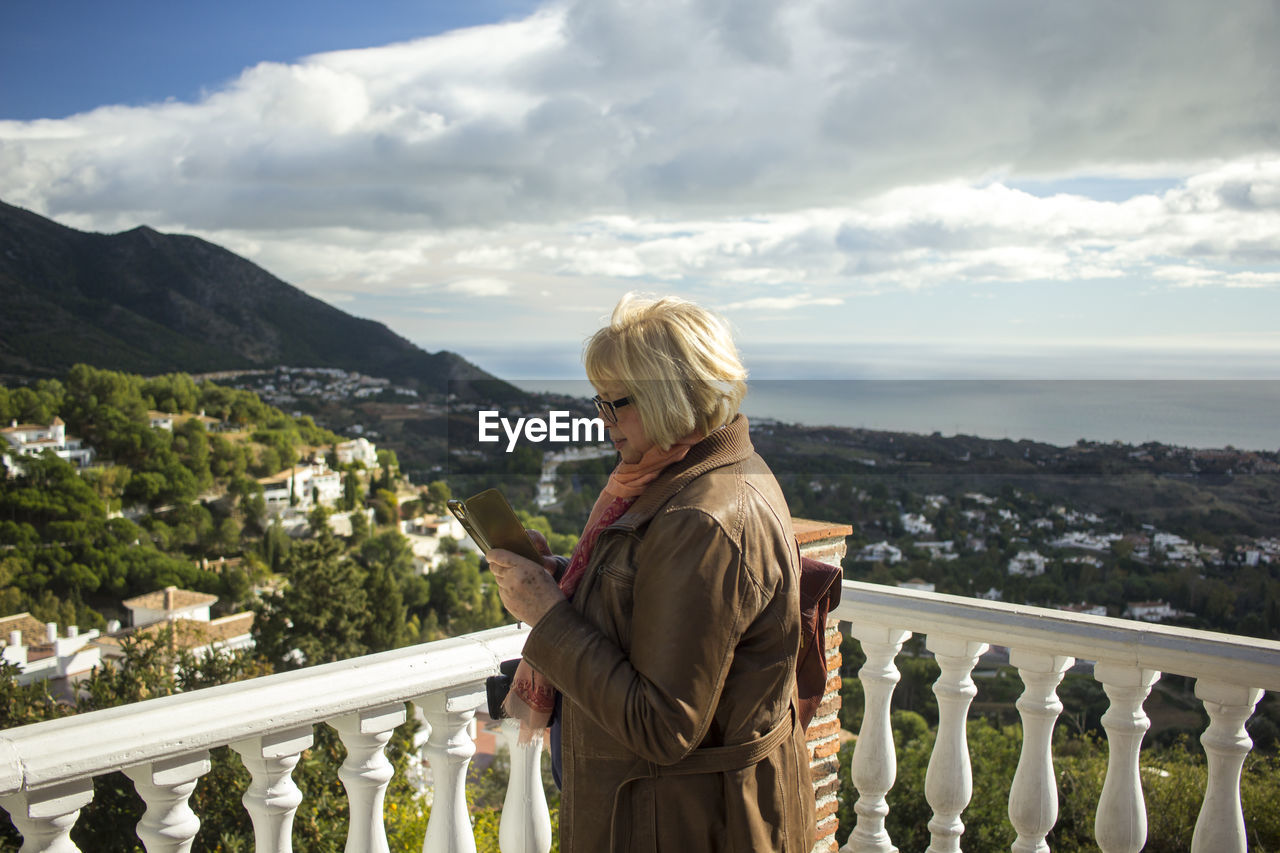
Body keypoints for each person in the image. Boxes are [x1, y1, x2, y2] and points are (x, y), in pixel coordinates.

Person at [487, 294, 816, 853]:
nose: (603, 421)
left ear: (671, 397)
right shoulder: (682, 481)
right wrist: (562, 576)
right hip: (662, 811)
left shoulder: (702, 519)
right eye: (599, 402)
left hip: (678, 823)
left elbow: (663, 726)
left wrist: (547, 612)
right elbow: (654, 601)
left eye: (617, 404)